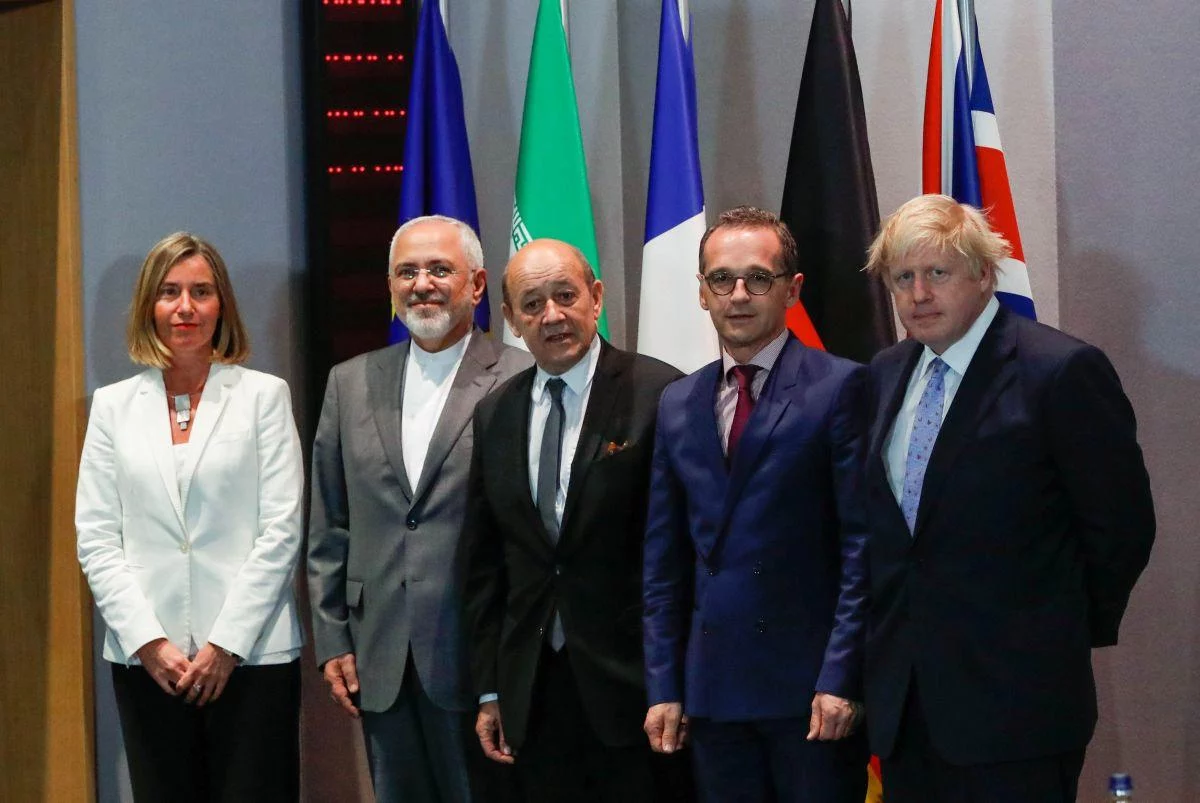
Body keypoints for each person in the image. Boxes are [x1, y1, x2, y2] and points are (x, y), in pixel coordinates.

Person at [859, 194, 1155, 802]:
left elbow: (1120, 530)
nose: (919, 294)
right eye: (903, 278)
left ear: (983, 274)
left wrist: (1052, 631)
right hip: (907, 709)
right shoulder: (884, 373)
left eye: (937, 272)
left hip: (1019, 705)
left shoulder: (1060, 371)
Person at [642, 206, 869, 802]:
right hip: (712, 692)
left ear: (792, 289)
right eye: (722, 279)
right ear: (702, 292)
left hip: (810, 694)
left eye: (758, 278)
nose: (738, 295)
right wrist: (664, 684)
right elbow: (663, 563)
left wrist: (841, 676)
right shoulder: (677, 402)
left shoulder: (840, 386)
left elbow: (861, 548)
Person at [307, 215, 531, 803]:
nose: (422, 284)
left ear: (477, 285)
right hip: (379, 654)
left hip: (479, 659)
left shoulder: (521, 376)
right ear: (390, 287)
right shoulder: (348, 383)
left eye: (439, 269)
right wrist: (332, 639)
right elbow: (329, 525)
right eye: (406, 272)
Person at [76, 232, 304, 802]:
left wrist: (225, 645)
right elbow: (97, 537)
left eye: (201, 291)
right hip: (150, 662)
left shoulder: (264, 397)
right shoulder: (112, 407)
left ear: (221, 304)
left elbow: (281, 531)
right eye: (169, 292)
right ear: (148, 306)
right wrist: (148, 642)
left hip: (252, 656)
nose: (185, 307)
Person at [462, 239, 691, 803]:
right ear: (511, 318)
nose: (552, 316)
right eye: (532, 304)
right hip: (534, 691)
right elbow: (485, 563)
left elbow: (686, 550)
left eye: (565, 296)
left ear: (596, 298)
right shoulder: (495, 413)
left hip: (637, 688)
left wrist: (677, 679)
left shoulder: (660, 392)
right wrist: (490, 688)